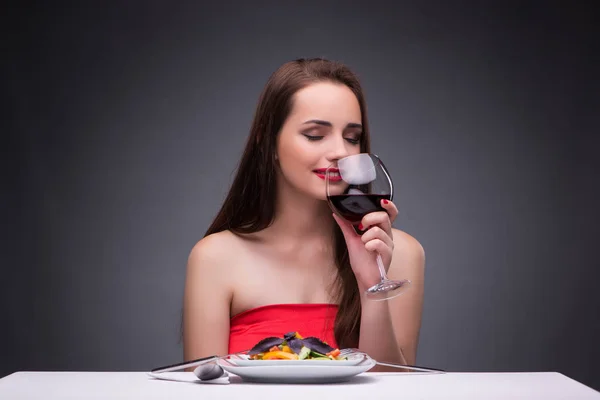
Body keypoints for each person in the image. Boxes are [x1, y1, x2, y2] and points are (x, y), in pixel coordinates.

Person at [182, 58, 425, 370]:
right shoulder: (215, 257)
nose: (341, 151)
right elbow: (200, 388)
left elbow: (396, 389)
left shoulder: (398, 253)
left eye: (352, 137)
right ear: (267, 143)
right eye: (315, 134)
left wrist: (370, 286)